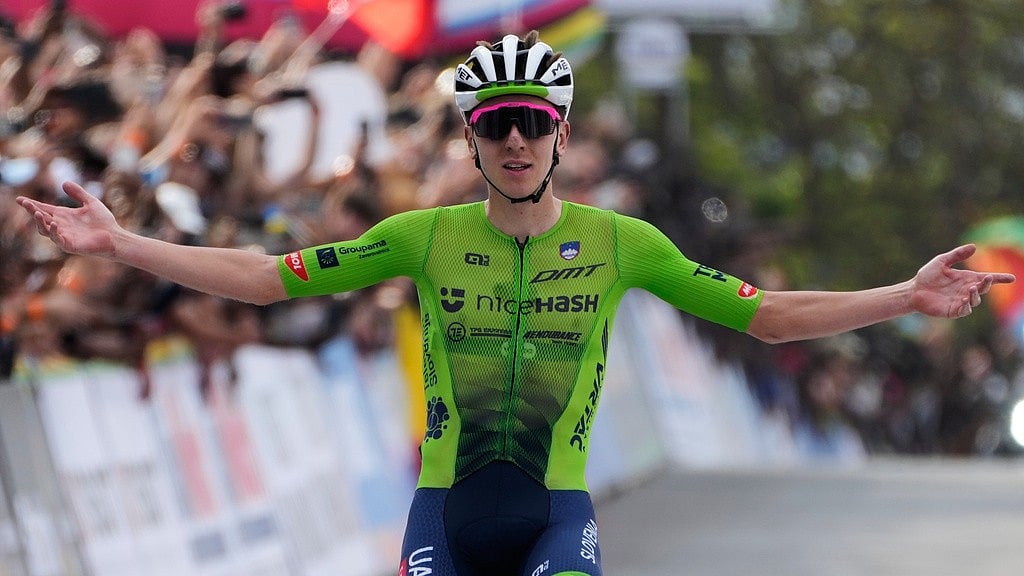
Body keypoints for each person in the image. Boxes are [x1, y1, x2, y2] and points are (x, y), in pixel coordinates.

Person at [15, 30, 1014, 576]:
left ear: (562, 133)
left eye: (532, 124)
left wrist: (904, 297)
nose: (515, 143)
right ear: (470, 140)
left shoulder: (625, 243)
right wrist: (122, 243)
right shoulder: (424, 237)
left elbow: (767, 316)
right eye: (494, 125)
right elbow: (268, 281)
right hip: (445, 515)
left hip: (554, 516)